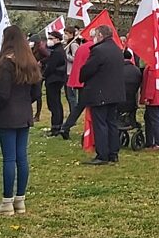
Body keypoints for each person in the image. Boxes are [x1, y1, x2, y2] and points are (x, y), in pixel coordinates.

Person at [0, 26, 42, 217]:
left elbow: (3, 94)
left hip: (7, 115)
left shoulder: (6, 63)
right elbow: (36, 93)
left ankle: (7, 201)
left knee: (9, 159)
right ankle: (20, 199)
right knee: (22, 158)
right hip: (24, 114)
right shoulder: (31, 62)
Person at [74, 25, 125, 165]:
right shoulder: (117, 49)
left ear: (101, 35)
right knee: (111, 123)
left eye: (95, 35)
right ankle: (113, 153)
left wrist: (82, 75)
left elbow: (87, 70)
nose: (93, 38)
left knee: (100, 124)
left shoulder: (98, 51)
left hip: (100, 92)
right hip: (115, 93)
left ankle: (102, 154)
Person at [41, 31, 68, 137]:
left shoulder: (57, 51)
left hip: (54, 79)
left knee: (54, 104)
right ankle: (57, 125)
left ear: (57, 39)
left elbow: (51, 66)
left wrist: (43, 76)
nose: (49, 40)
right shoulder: (57, 50)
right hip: (57, 79)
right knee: (56, 103)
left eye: (51, 38)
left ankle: (56, 127)